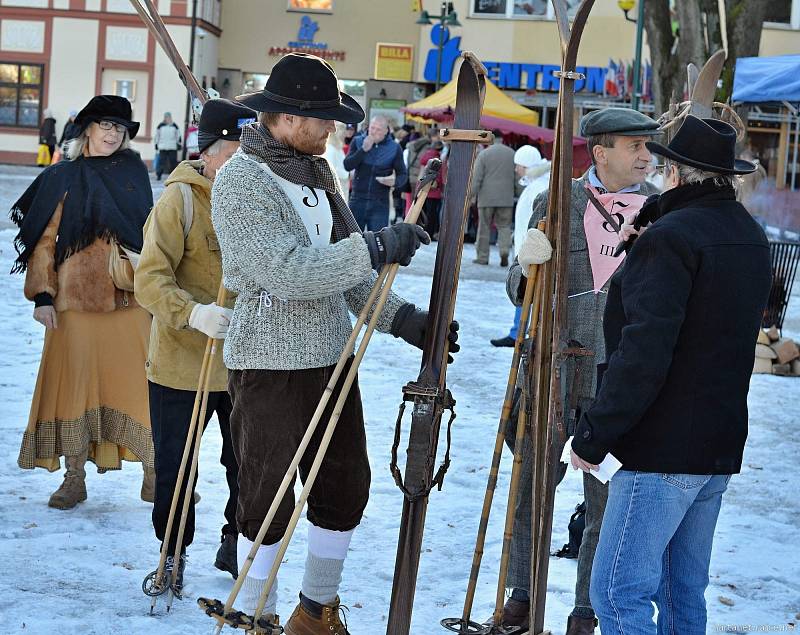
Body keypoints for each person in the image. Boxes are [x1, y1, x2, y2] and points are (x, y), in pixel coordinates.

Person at [213, 52, 456, 634]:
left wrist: (404, 321)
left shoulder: (318, 173)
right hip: (269, 360)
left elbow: (347, 278)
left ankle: (315, 612)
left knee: (344, 488)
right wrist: (371, 247)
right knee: (267, 497)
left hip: (331, 357)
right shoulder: (241, 181)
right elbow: (285, 270)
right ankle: (258, 612)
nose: (331, 130)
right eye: (323, 119)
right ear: (288, 118)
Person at [571, 116, 772, 635]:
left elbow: (643, 352)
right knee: (682, 595)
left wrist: (594, 434)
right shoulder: (747, 233)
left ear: (678, 174)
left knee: (617, 593)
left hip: (663, 450)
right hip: (717, 443)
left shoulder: (673, 238)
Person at [503, 108, 661, 634]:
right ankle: (522, 595)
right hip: (552, 369)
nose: (645, 156)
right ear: (600, 152)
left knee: (607, 498)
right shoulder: (557, 201)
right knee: (532, 488)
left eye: (647, 147)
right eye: (634, 146)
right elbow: (517, 291)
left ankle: (586, 610)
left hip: (617, 377)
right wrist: (526, 266)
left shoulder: (658, 210)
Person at [135, 98, 256, 591]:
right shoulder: (178, 202)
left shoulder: (255, 200)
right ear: (208, 153)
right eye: (233, 151)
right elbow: (149, 279)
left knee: (248, 463)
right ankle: (171, 551)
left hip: (244, 361)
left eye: (247, 150)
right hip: (180, 365)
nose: (242, 160)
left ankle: (236, 539)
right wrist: (194, 313)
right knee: (177, 469)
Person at [10, 95, 154, 510]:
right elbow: (44, 239)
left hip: (130, 298)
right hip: (74, 301)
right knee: (75, 390)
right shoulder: (63, 176)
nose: (112, 133)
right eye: (104, 125)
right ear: (87, 129)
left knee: (142, 386)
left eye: (119, 127)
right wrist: (42, 294)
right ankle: (74, 479)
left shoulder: (132, 173)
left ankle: (154, 475)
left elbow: (148, 231)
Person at [491, 144, 550, 347]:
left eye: (519, 165)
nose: (516, 170)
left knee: (526, 290)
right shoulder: (537, 184)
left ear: (526, 165)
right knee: (523, 290)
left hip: (532, 251)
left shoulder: (538, 187)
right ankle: (517, 331)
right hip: (529, 248)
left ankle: (519, 332)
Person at [344, 113, 408, 231]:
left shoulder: (394, 148)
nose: (373, 132)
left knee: (378, 242)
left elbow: (403, 174)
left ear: (386, 131)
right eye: (372, 127)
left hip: (380, 202)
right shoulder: (357, 141)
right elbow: (347, 165)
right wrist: (363, 150)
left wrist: (394, 182)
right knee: (352, 240)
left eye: (378, 129)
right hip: (357, 199)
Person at [471, 130, 516, 266]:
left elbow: (476, 177)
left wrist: (471, 195)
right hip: (506, 198)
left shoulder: (484, 154)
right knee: (504, 226)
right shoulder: (512, 154)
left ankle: (483, 257)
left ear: (491, 139)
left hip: (486, 198)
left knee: (484, 227)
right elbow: (517, 177)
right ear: (503, 139)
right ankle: (504, 252)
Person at [416, 138, 447, 238]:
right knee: (432, 214)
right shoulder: (437, 160)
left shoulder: (425, 156)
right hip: (434, 191)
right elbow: (440, 176)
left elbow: (420, 173)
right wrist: (442, 188)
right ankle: (429, 233)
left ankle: (420, 231)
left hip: (423, 188)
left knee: (422, 211)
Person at [323, 121, 350, 195]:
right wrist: (348, 174)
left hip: (342, 186)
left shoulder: (338, 148)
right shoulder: (330, 149)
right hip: (335, 190)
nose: (344, 134)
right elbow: (331, 170)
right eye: (342, 130)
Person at [154, 111, 181, 180]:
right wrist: (156, 144)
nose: (168, 118)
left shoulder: (175, 126)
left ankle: (174, 176)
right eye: (166, 117)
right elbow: (157, 136)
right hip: (163, 147)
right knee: (161, 162)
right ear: (165, 118)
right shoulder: (160, 126)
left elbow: (178, 136)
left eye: (169, 117)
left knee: (173, 162)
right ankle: (159, 175)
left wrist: (179, 144)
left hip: (172, 147)